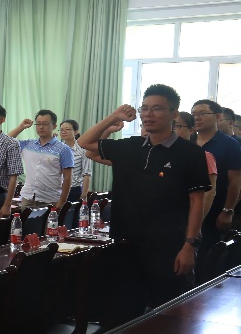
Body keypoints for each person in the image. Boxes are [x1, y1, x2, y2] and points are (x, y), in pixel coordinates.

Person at [78, 84, 210, 310]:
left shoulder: (191, 153)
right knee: (125, 308)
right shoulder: (130, 146)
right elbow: (84, 143)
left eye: (157, 108)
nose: (148, 114)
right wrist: (114, 116)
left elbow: (197, 201)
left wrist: (190, 245)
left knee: (167, 312)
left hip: (168, 246)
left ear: (174, 114)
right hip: (126, 243)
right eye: (144, 108)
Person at [190, 99, 241, 267]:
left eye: (202, 113)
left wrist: (228, 211)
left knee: (206, 257)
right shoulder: (188, 141)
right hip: (188, 209)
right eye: (194, 114)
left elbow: (235, 181)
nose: (197, 117)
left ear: (218, 117)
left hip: (215, 210)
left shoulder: (229, 145)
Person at [57, 120, 91, 203]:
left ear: (76, 132)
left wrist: (84, 195)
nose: (63, 132)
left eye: (67, 129)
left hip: (74, 190)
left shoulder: (83, 150)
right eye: (61, 130)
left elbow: (87, 174)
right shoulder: (57, 148)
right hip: (57, 189)